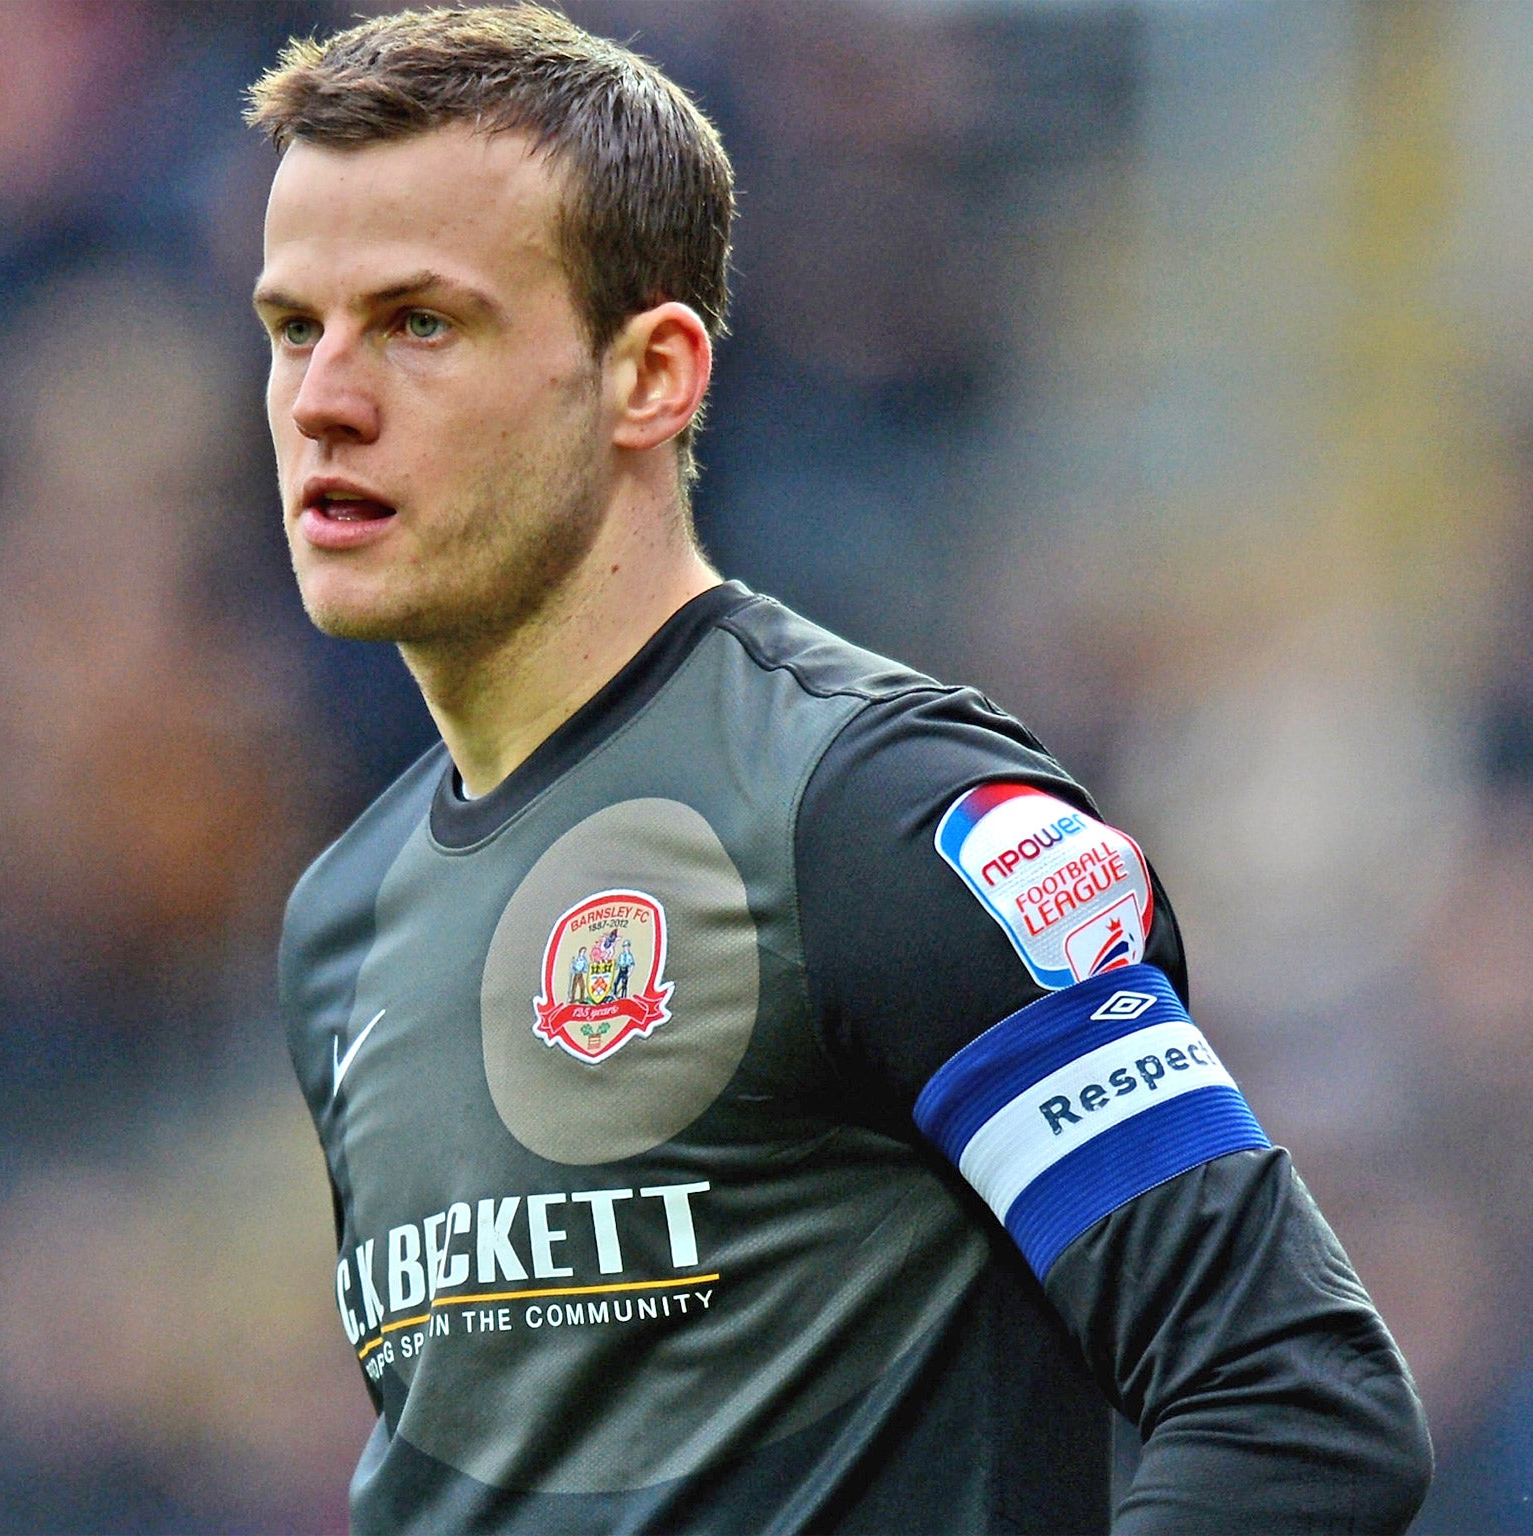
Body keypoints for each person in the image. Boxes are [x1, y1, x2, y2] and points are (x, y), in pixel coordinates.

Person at [248, 7, 1433, 1533]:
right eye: (295, 326)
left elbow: (1291, 1400)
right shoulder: (343, 919)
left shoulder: (874, 817)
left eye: (421, 323)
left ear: (650, 376)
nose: (324, 399)